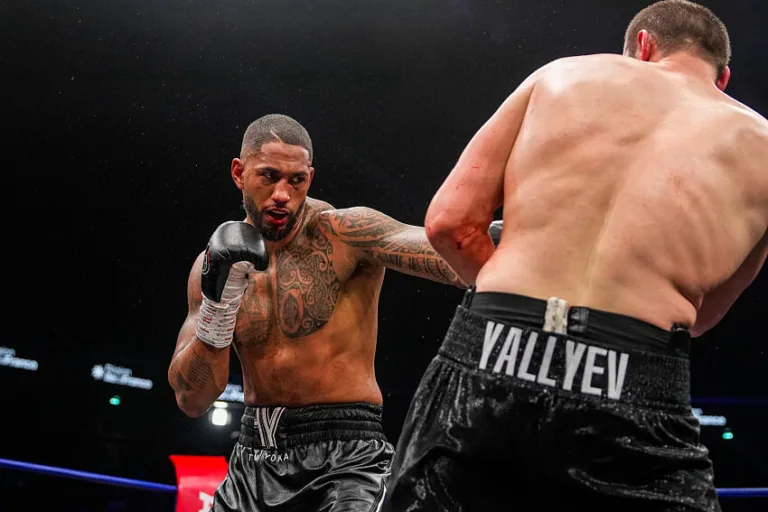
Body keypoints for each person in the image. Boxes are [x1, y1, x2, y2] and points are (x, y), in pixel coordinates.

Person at [384, 1, 768, 511]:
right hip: (634, 376)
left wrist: (510, 304)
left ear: (642, 46)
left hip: (491, 351)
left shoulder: (560, 76)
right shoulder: (762, 145)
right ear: (723, 78)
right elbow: (702, 317)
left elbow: (449, 225)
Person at [167, 114, 500, 511]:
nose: (282, 194)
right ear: (239, 173)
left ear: (310, 177)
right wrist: (218, 309)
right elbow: (192, 399)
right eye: (269, 176)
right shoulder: (212, 265)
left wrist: (519, 238)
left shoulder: (346, 234)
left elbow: (448, 254)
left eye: (296, 180)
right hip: (252, 460)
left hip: (346, 462)